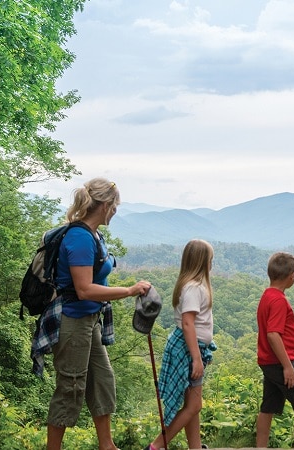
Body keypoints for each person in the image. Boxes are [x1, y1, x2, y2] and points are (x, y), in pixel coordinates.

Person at [30, 177, 152, 450]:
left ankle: (106, 445)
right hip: (72, 321)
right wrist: (129, 290)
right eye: (115, 206)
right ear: (106, 205)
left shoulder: (95, 235)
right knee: (70, 387)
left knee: (102, 380)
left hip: (90, 320)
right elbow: (84, 289)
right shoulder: (79, 238)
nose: (116, 211)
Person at [145, 239, 217, 450]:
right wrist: (196, 359)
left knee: (191, 406)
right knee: (195, 405)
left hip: (190, 348)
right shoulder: (194, 288)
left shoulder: (191, 285)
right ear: (202, 262)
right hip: (188, 350)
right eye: (210, 260)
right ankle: (156, 446)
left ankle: (195, 447)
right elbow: (187, 323)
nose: (212, 264)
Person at [256, 252, 294, 448]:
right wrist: (289, 366)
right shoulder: (279, 300)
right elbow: (273, 334)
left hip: (268, 362)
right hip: (280, 364)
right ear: (292, 276)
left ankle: (260, 447)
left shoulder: (267, 296)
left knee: (268, 407)